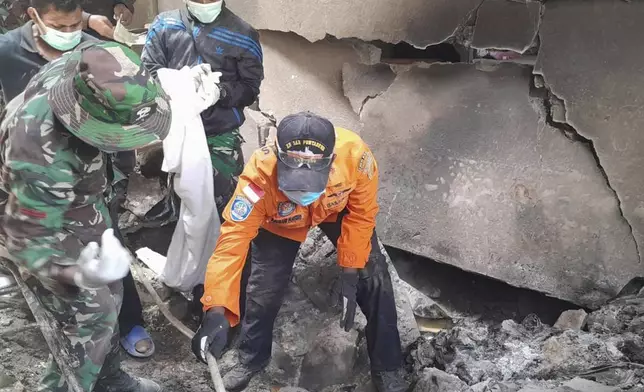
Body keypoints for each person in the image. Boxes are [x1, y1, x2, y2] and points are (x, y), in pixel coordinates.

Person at [190, 112, 410, 392]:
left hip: (335, 211)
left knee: (375, 277)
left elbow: (362, 214)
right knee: (263, 290)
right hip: (280, 224)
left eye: (311, 182)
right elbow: (232, 242)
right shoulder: (259, 176)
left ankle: (388, 366)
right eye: (294, 182)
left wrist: (351, 269)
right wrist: (216, 309)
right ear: (279, 161)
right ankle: (250, 359)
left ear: (330, 165)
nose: (302, 191)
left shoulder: (356, 157)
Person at [0, 40, 171, 391]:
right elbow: (26, 242)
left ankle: (108, 379)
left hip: (77, 196)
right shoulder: (39, 154)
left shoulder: (87, 67)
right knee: (89, 318)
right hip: (31, 217)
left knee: (114, 290)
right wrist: (76, 273)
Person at [141, 0, 264, 220]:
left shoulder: (243, 34)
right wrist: (178, 80)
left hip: (220, 132)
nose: (205, 2)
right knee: (182, 191)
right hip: (177, 130)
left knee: (222, 201)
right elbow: (147, 72)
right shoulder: (164, 25)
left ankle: (224, 248)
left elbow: (250, 88)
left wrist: (220, 92)